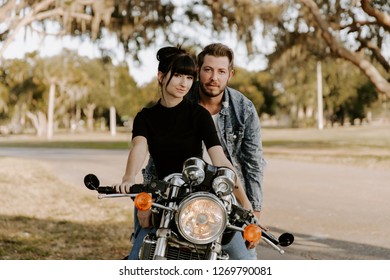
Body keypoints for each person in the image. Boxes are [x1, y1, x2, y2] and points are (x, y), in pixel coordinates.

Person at [114, 45, 256, 259]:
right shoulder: (146, 117)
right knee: (137, 257)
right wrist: (128, 176)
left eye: (189, 77)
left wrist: (245, 202)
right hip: (162, 195)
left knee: (243, 259)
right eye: (178, 75)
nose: (184, 83)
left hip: (198, 195)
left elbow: (219, 158)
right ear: (161, 76)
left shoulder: (198, 114)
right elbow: (139, 147)